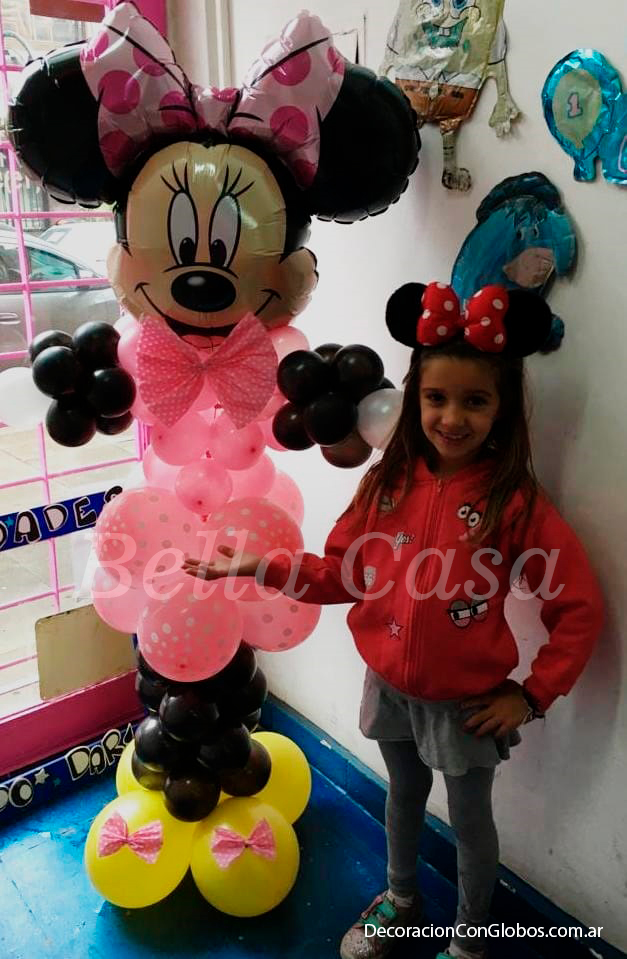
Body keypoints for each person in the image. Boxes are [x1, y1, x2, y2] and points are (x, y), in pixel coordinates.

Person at [183, 281, 604, 959]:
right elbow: (341, 574)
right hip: (390, 687)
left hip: (467, 706)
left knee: (469, 821)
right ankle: (400, 902)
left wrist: (531, 695)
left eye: (475, 400)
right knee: (403, 795)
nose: (452, 417)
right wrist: (262, 567)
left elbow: (579, 607)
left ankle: (471, 940)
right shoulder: (386, 482)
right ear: (415, 398)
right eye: (436, 398)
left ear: (501, 407)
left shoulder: (514, 501)